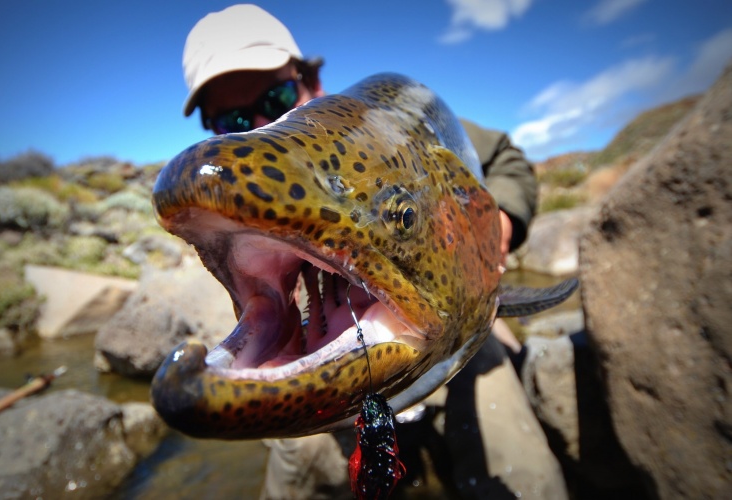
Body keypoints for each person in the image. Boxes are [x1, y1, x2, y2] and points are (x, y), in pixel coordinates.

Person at [181, 4, 566, 499]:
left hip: (447, 314)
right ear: (214, 129)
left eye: (276, 95)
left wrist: (504, 220)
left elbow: (506, 157)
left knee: (518, 467)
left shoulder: (395, 124)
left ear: (311, 81)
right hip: (316, 360)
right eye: (232, 118)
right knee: (294, 459)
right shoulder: (238, 212)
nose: (261, 120)